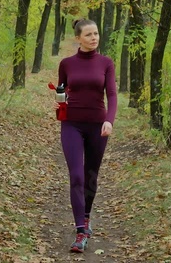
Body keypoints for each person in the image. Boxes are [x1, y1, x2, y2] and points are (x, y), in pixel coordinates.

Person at [57, 18, 117, 253]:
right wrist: (59, 104)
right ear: (78, 38)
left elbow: (111, 95)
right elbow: (62, 91)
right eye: (89, 35)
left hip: (97, 126)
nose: (94, 38)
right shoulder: (66, 63)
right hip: (71, 124)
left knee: (91, 174)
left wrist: (109, 121)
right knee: (76, 176)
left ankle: (87, 216)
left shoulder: (106, 63)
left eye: (96, 34)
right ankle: (80, 230)